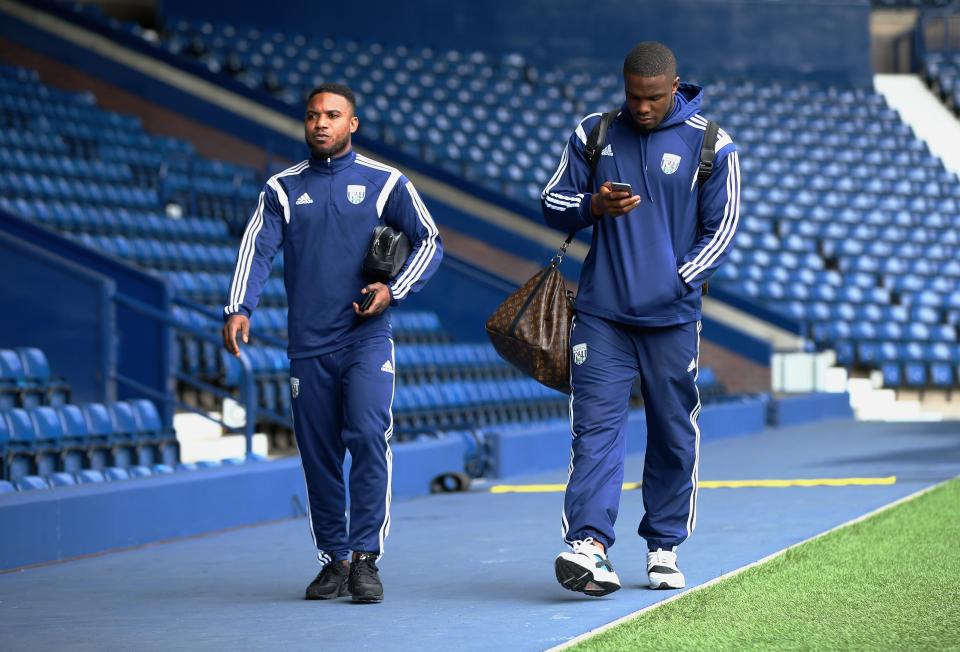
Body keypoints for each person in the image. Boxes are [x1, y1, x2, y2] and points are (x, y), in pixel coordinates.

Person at [222, 83, 443, 603]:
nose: (320, 123)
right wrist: (239, 307)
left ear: (353, 124)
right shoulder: (280, 189)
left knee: (367, 437)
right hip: (308, 347)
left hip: (366, 340)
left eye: (333, 115)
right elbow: (257, 249)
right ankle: (334, 559)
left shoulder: (386, 182)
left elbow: (431, 241)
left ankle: (366, 559)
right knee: (318, 456)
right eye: (313, 115)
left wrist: (394, 289)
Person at [541, 42, 739, 596]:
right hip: (601, 314)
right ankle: (589, 546)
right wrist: (592, 207)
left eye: (652, 98)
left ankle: (663, 545)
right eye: (633, 97)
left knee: (673, 433)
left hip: (672, 320)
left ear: (674, 87)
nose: (642, 108)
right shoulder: (594, 133)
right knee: (596, 431)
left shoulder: (711, 144)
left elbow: (720, 233)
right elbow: (551, 200)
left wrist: (673, 282)